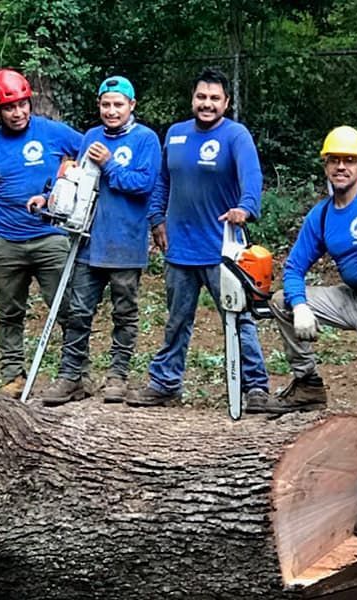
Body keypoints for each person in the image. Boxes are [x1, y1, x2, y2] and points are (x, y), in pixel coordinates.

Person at [251, 125, 357, 537]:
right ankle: (307, 382)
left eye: (349, 160)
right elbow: (294, 268)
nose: (341, 167)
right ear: (326, 165)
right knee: (279, 301)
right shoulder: (324, 214)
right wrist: (300, 306)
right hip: (352, 298)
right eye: (335, 160)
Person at [128, 67, 270, 408]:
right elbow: (163, 181)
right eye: (201, 97)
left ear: (227, 102)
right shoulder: (176, 134)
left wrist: (245, 208)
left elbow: (251, 178)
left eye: (214, 99)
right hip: (180, 248)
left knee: (239, 319)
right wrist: (156, 219)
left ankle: (255, 387)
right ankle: (165, 383)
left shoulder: (236, 136)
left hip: (224, 250)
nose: (207, 104)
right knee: (177, 320)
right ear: (193, 98)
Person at [30, 76, 161, 405]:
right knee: (79, 311)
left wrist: (110, 164)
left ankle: (117, 376)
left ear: (132, 106)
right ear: (99, 106)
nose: (111, 111)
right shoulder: (90, 136)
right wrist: (50, 200)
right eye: (106, 104)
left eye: (118, 104)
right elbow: (77, 179)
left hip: (127, 243)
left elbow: (144, 184)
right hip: (88, 240)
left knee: (124, 312)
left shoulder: (146, 140)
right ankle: (72, 376)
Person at [0, 68, 83, 398]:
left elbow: (91, 151)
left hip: (51, 238)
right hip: (6, 243)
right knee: (10, 313)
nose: (17, 113)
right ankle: (12, 376)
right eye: (9, 108)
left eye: (22, 105)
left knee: (67, 309)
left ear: (29, 103)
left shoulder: (53, 133)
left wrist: (67, 181)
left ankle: (74, 374)